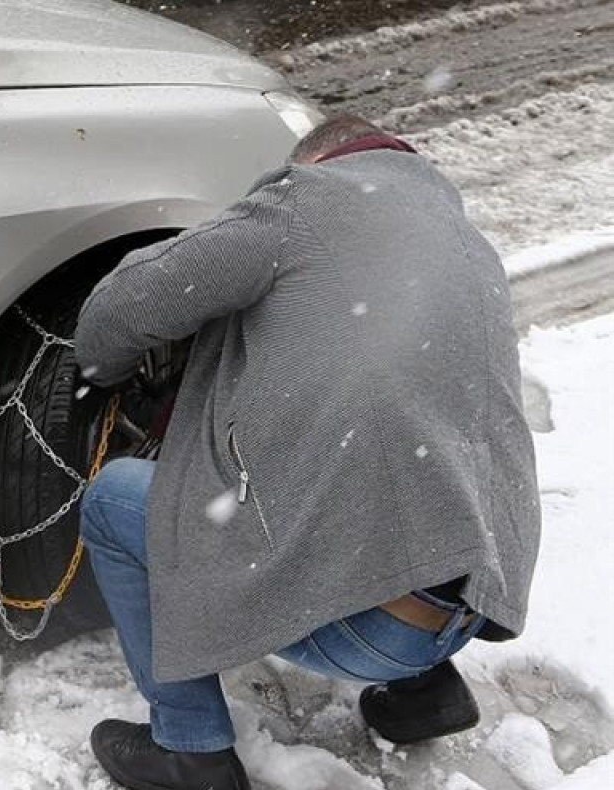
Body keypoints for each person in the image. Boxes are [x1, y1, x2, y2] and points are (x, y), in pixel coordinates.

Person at [72, 114, 541, 790]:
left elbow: (120, 311)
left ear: (316, 161)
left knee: (115, 500)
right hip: (469, 602)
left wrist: (103, 368)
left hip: (368, 627)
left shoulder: (303, 200)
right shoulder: (463, 243)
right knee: (409, 450)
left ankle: (190, 750)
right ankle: (425, 693)